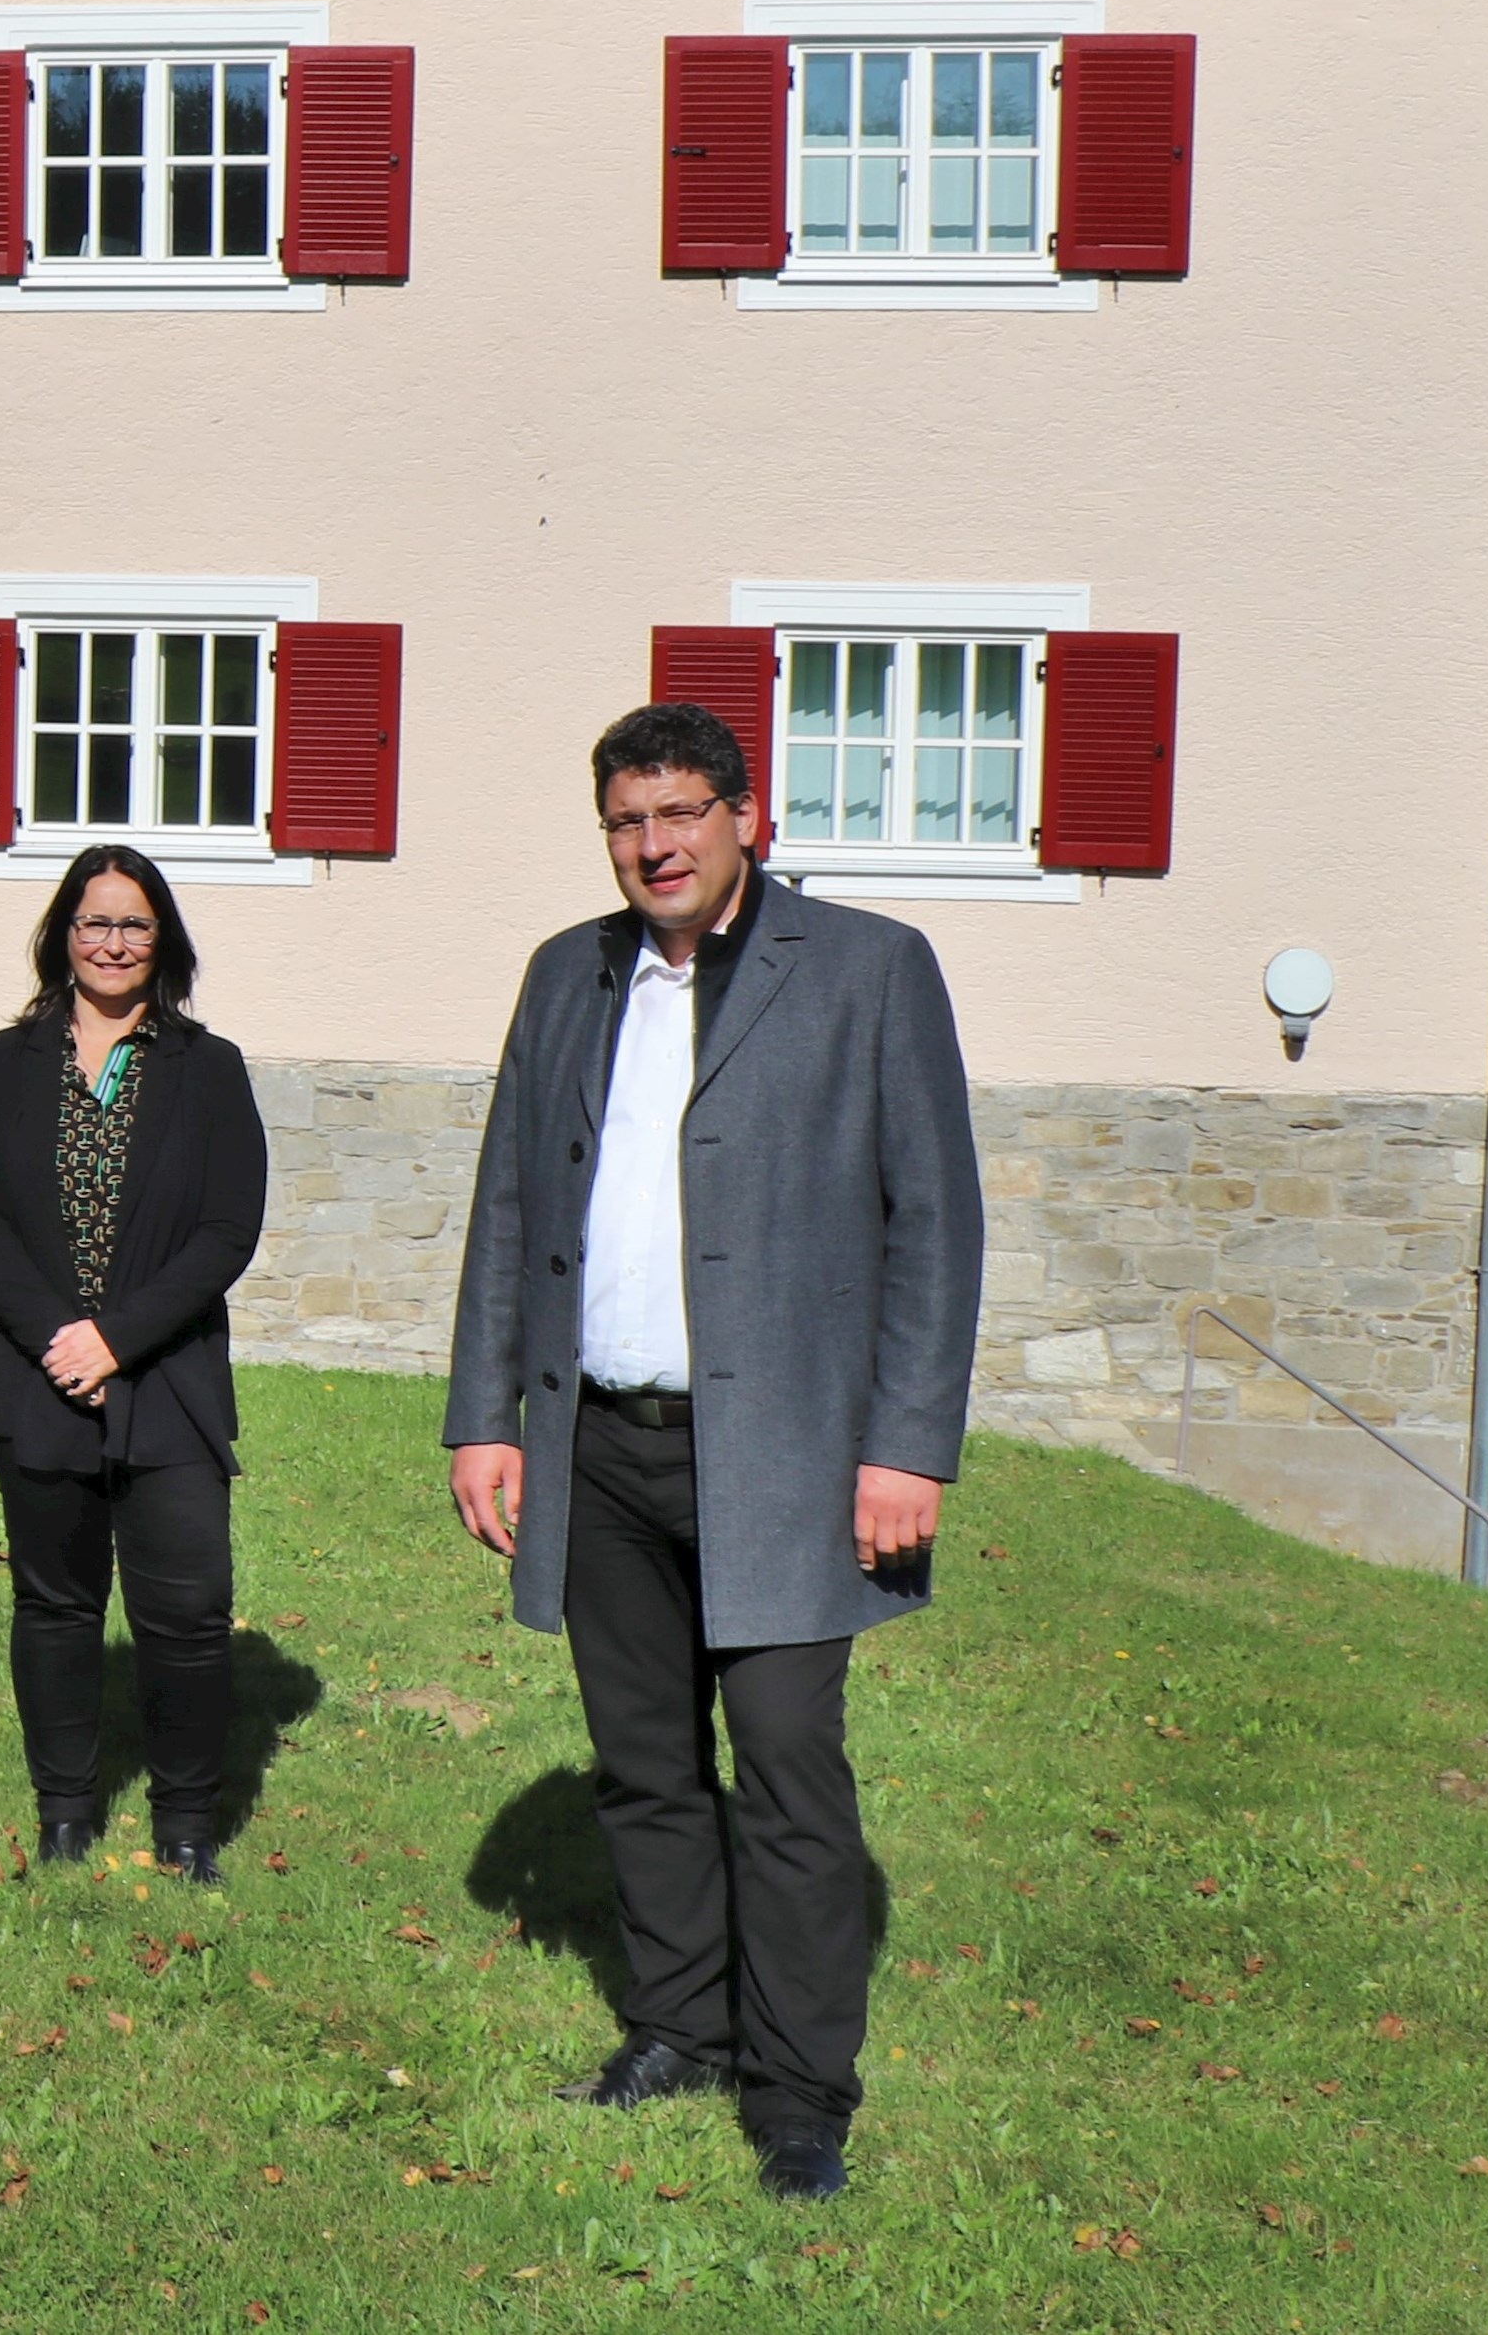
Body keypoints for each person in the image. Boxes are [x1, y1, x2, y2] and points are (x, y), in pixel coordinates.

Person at [442, 701, 982, 2203]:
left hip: (799, 1458)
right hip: (600, 1441)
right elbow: (507, 1209)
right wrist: (489, 1412)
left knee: (791, 1769)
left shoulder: (869, 970)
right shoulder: (569, 974)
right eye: (627, 819)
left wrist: (907, 1445)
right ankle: (679, 2022)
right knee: (645, 1763)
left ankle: (800, 2090)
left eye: (681, 811)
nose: (654, 843)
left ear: (745, 815)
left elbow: (934, 1220)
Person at [0, 846, 269, 1885]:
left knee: (185, 1612)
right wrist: (58, 1334)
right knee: (55, 1605)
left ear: (161, 939)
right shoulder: (6, 1061)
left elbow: (227, 1230)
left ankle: (183, 1824)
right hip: (38, 1379)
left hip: (166, 1380)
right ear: (62, 935)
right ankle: (67, 1812)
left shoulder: (206, 1067)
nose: (113, 943)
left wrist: (117, 1337)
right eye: (94, 923)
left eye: (133, 925)